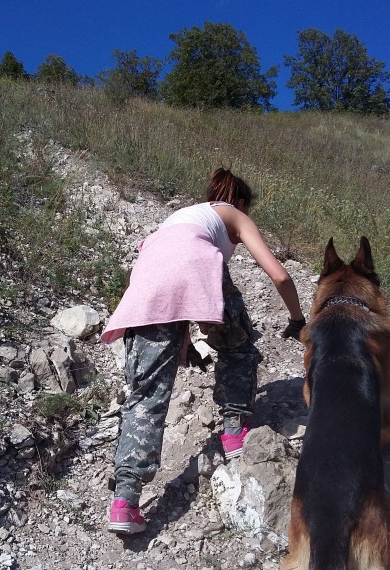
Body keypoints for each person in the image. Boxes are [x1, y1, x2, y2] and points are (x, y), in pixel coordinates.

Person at [101, 167, 305, 534]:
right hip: (196, 268)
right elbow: (279, 275)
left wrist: (183, 343)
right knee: (238, 348)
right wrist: (298, 318)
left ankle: (124, 501)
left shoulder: (179, 219)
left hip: (147, 279)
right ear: (240, 202)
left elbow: (171, 285)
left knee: (145, 395)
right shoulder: (234, 213)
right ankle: (234, 432)